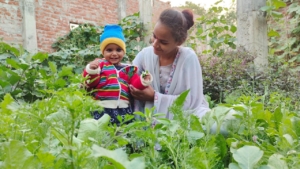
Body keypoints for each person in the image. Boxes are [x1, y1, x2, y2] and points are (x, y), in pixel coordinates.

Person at [129, 8, 210, 119]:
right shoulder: (145, 55)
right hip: (149, 112)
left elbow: (192, 101)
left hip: (185, 113)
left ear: (179, 41)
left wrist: (154, 97)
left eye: (163, 42)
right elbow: (127, 75)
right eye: (154, 36)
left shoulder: (188, 58)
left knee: (211, 123)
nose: (155, 44)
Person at [83, 24, 152, 125]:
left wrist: (143, 80)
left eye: (118, 50)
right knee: (102, 134)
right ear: (103, 51)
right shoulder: (100, 65)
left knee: (122, 136)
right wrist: (91, 70)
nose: (114, 53)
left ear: (123, 51)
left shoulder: (128, 69)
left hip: (123, 110)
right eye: (109, 50)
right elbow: (91, 83)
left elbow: (134, 85)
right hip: (102, 109)